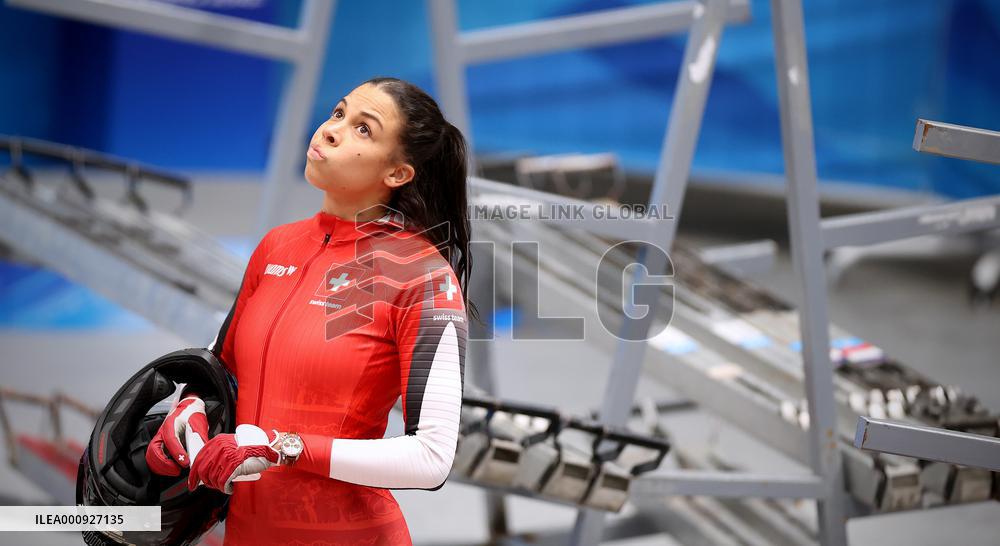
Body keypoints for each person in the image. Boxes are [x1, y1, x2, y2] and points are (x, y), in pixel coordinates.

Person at [145, 77, 472, 545]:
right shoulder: (277, 246)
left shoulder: (422, 276)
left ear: (398, 174)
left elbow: (432, 457)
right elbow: (221, 374)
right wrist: (192, 411)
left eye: (364, 130)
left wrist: (285, 449)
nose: (332, 130)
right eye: (339, 114)